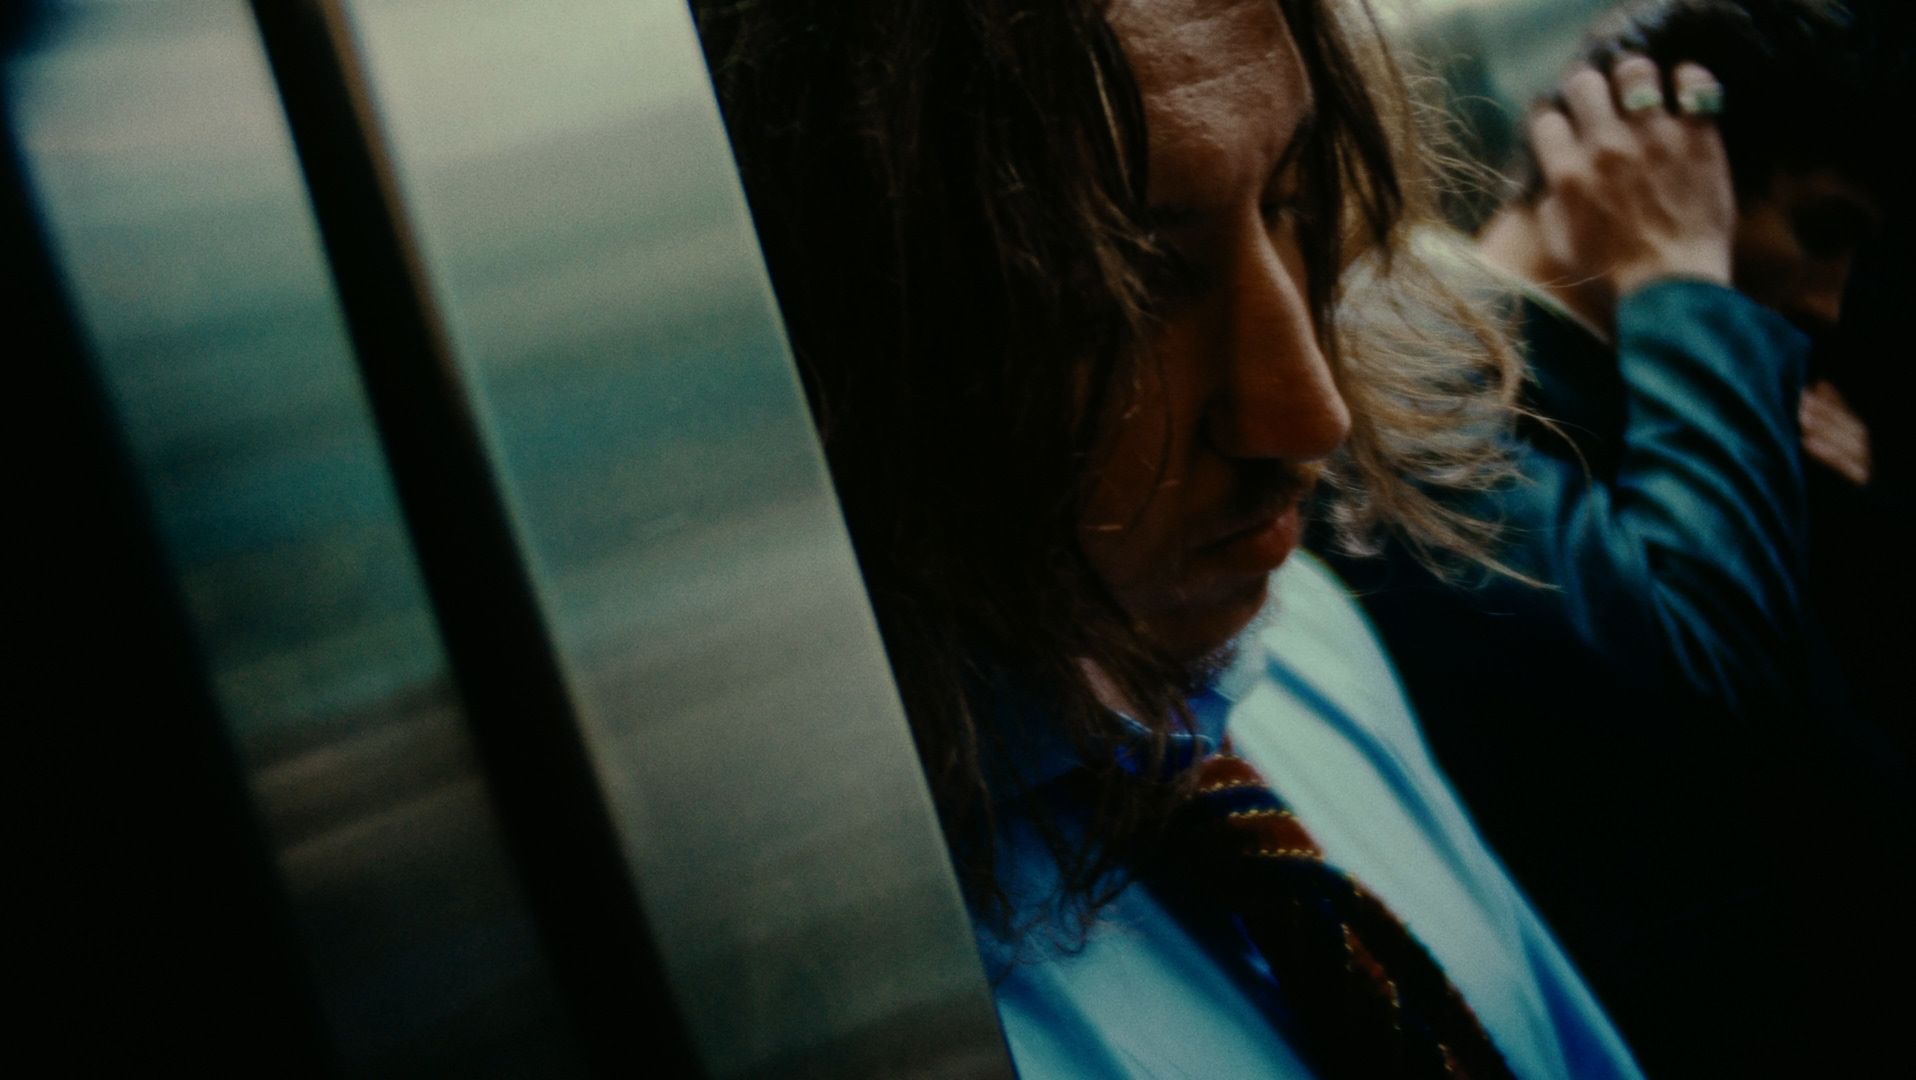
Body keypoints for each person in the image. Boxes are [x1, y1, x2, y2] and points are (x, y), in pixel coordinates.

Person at [694, 1, 1781, 1077]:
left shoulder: (1300, 646)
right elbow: (1696, 649)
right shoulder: (854, 994)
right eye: (1117, 287)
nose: (1310, 415)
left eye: (1293, 203)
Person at [1316, 1, 1912, 1075]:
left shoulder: (1694, 398)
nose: (1826, 303)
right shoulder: (1400, 355)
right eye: (1818, 232)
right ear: (1668, 174)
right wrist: (1684, 286)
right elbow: (1692, 666)